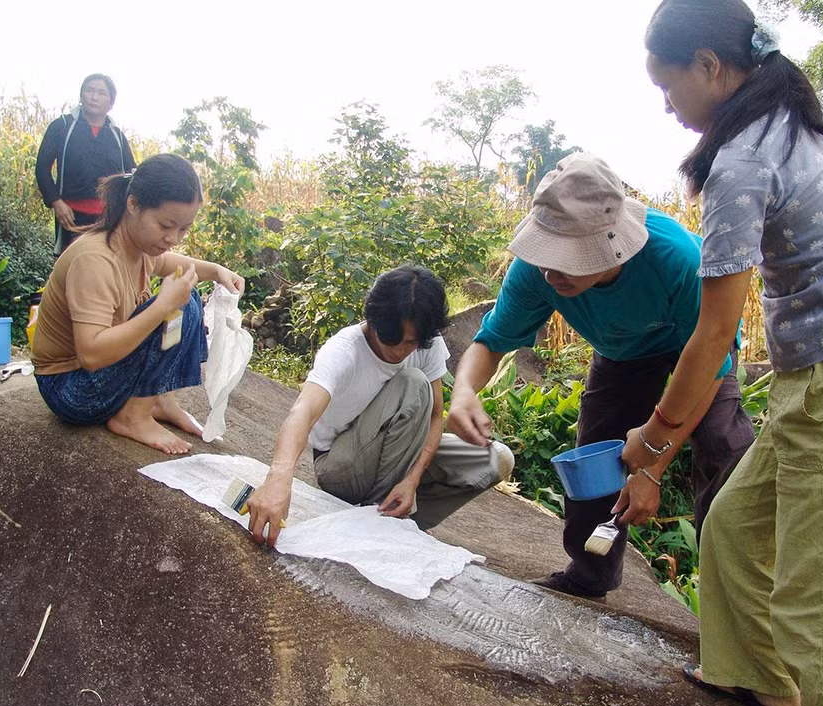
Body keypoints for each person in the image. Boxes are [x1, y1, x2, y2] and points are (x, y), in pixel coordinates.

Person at [625, 1, 823, 706]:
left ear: (710, 68)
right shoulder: (815, 122)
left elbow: (715, 332)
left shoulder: (744, 159)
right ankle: (759, 675)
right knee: (731, 527)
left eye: (669, 87)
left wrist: (655, 444)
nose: (668, 104)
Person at [447, 152, 754, 600]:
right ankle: (589, 574)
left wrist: (651, 468)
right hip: (623, 351)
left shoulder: (674, 258)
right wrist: (463, 392)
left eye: (567, 258)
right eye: (545, 254)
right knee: (592, 457)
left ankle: (734, 603)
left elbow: (707, 366)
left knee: (725, 447)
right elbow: (491, 342)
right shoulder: (537, 273)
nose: (552, 271)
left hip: (698, 344)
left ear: (610, 244)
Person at [246, 265, 514, 547]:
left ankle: (397, 515)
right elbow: (303, 411)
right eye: (391, 339)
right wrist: (278, 478)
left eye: (410, 342)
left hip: (394, 455)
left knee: (495, 458)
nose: (399, 351)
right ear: (373, 321)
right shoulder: (343, 351)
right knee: (413, 383)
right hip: (339, 466)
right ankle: (375, 523)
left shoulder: (427, 342)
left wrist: (412, 479)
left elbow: (436, 416)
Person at [30, 153, 245, 455]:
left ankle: (160, 400)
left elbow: (172, 263)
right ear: (133, 205)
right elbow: (91, 354)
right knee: (177, 307)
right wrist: (161, 308)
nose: (173, 238)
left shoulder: (139, 247)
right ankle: (133, 416)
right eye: (166, 225)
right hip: (71, 390)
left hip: (97, 378)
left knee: (188, 295)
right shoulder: (95, 259)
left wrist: (217, 271)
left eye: (183, 229)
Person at [35, 74, 137, 256]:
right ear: (81, 95)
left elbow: (132, 175)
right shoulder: (63, 126)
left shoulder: (117, 136)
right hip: (71, 217)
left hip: (109, 218)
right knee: (69, 266)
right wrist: (56, 202)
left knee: (104, 267)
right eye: (89, 91)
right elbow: (42, 168)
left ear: (111, 103)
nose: (94, 97)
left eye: (101, 93)